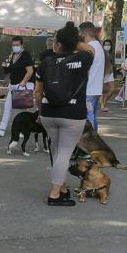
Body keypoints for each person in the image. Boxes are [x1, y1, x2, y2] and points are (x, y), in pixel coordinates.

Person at [35, 21, 93, 206]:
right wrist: (72, 40)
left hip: (48, 113)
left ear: (57, 43)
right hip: (73, 113)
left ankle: (62, 187)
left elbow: (37, 91)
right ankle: (54, 195)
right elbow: (91, 49)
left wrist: (40, 110)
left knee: (57, 151)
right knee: (65, 152)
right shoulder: (83, 58)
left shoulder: (46, 62)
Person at [0, 36, 34, 137]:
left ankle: (23, 130)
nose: (15, 47)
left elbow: (30, 71)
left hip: (22, 85)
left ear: (22, 45)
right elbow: (11, 69)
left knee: (22, 109)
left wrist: (23, 83)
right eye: (13, 45)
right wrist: (6, 70)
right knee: (7, 107)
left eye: (17, 45)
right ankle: (2, 128)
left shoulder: (25, 55)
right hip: (14, 85)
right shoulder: (13, 54)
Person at [77, 22, 104, 131]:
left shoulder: (90, 48)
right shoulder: (98, 46)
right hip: (95, 88)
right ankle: (94, 138)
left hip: (89, 89)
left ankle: (91, 141)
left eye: (79, 32)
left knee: (88, 118)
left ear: (83, 33)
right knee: (91, 116)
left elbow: (85, 69)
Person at [100, 39, 115, 112]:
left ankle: (105, 101)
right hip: (102, 73)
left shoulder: (111, 53)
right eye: (105, 44)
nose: (107, 46)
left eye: (108, 45)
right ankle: (102, 105)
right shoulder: (101, 52)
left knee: (112, 89)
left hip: (110, 73)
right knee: (102, 90)